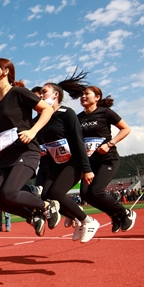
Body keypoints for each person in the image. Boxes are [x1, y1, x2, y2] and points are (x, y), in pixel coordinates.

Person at [0, 58, 55, 237]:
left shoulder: (18, 92)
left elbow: (47, 109)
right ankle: (32, 216)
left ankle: (46, 205)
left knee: (9, 193)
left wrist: (32, 131)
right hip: (5, 156)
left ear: (5, 71)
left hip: (26, 150)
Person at [36, 71, 101, 243]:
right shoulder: (42, 117)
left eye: (44, 92)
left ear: (55, 94)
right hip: (55, 164)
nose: (41, 95)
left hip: (74, 162)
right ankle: (78, 217)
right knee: (46, 198)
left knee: (57, 193)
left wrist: (87, 169)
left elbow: (78, 141)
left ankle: (89, 221)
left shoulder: (67, 113)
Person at [76, 85, 135, 236]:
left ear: (97, 97)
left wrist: (110, 144)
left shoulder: (105, 112)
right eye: (82, 94)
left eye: (86, 94)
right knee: (85, 194)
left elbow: (126, 129)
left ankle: (125, 213)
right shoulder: (78, 118)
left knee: (96, 192)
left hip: (108, 160)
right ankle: (114, 215)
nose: (83, 96)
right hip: (90, 164)